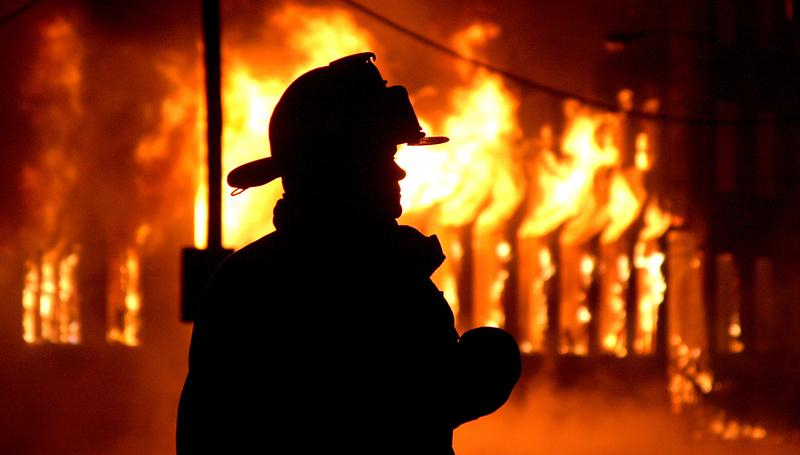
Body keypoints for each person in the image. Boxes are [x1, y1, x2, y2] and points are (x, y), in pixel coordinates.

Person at [177, 52, 521, 454]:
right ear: (334, 167)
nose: (399, 172)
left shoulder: (246, 277)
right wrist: (486, 365)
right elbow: (404, 404)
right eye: (382, 156)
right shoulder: (376, 281)